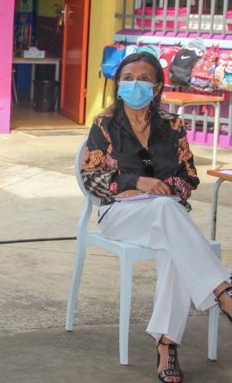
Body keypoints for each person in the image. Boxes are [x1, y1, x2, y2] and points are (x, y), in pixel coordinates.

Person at [81, 51, 232, 383]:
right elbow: (91, 177)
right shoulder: (105, 124)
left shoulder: (172, 124)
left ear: (158, 86)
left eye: (144, 79)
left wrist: (162, 188)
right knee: (167, 213)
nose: (135, 84)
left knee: (171, 243)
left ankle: (167, 344)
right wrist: (136, 182)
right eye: (128, 78)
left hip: (165, 215)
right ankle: (223, 290)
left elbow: (189, 176)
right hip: (121, 214)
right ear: (119, 84)